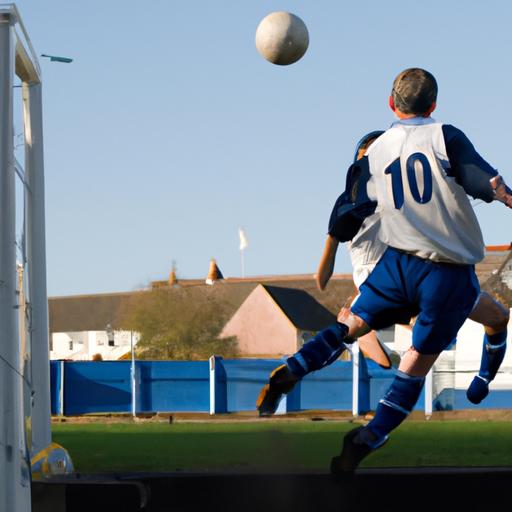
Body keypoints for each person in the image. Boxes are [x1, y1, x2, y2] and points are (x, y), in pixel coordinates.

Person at [256, 68, 512, 475]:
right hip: (446, 273)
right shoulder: (445, 136)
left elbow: (348, 209)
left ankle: (293, 368)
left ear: (391, 105)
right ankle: (369, 436)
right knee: (414, 366)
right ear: (433, 105)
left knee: (350, 326)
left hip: (397, 266)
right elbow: (489, 183)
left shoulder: (374, 153)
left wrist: (336, 234)